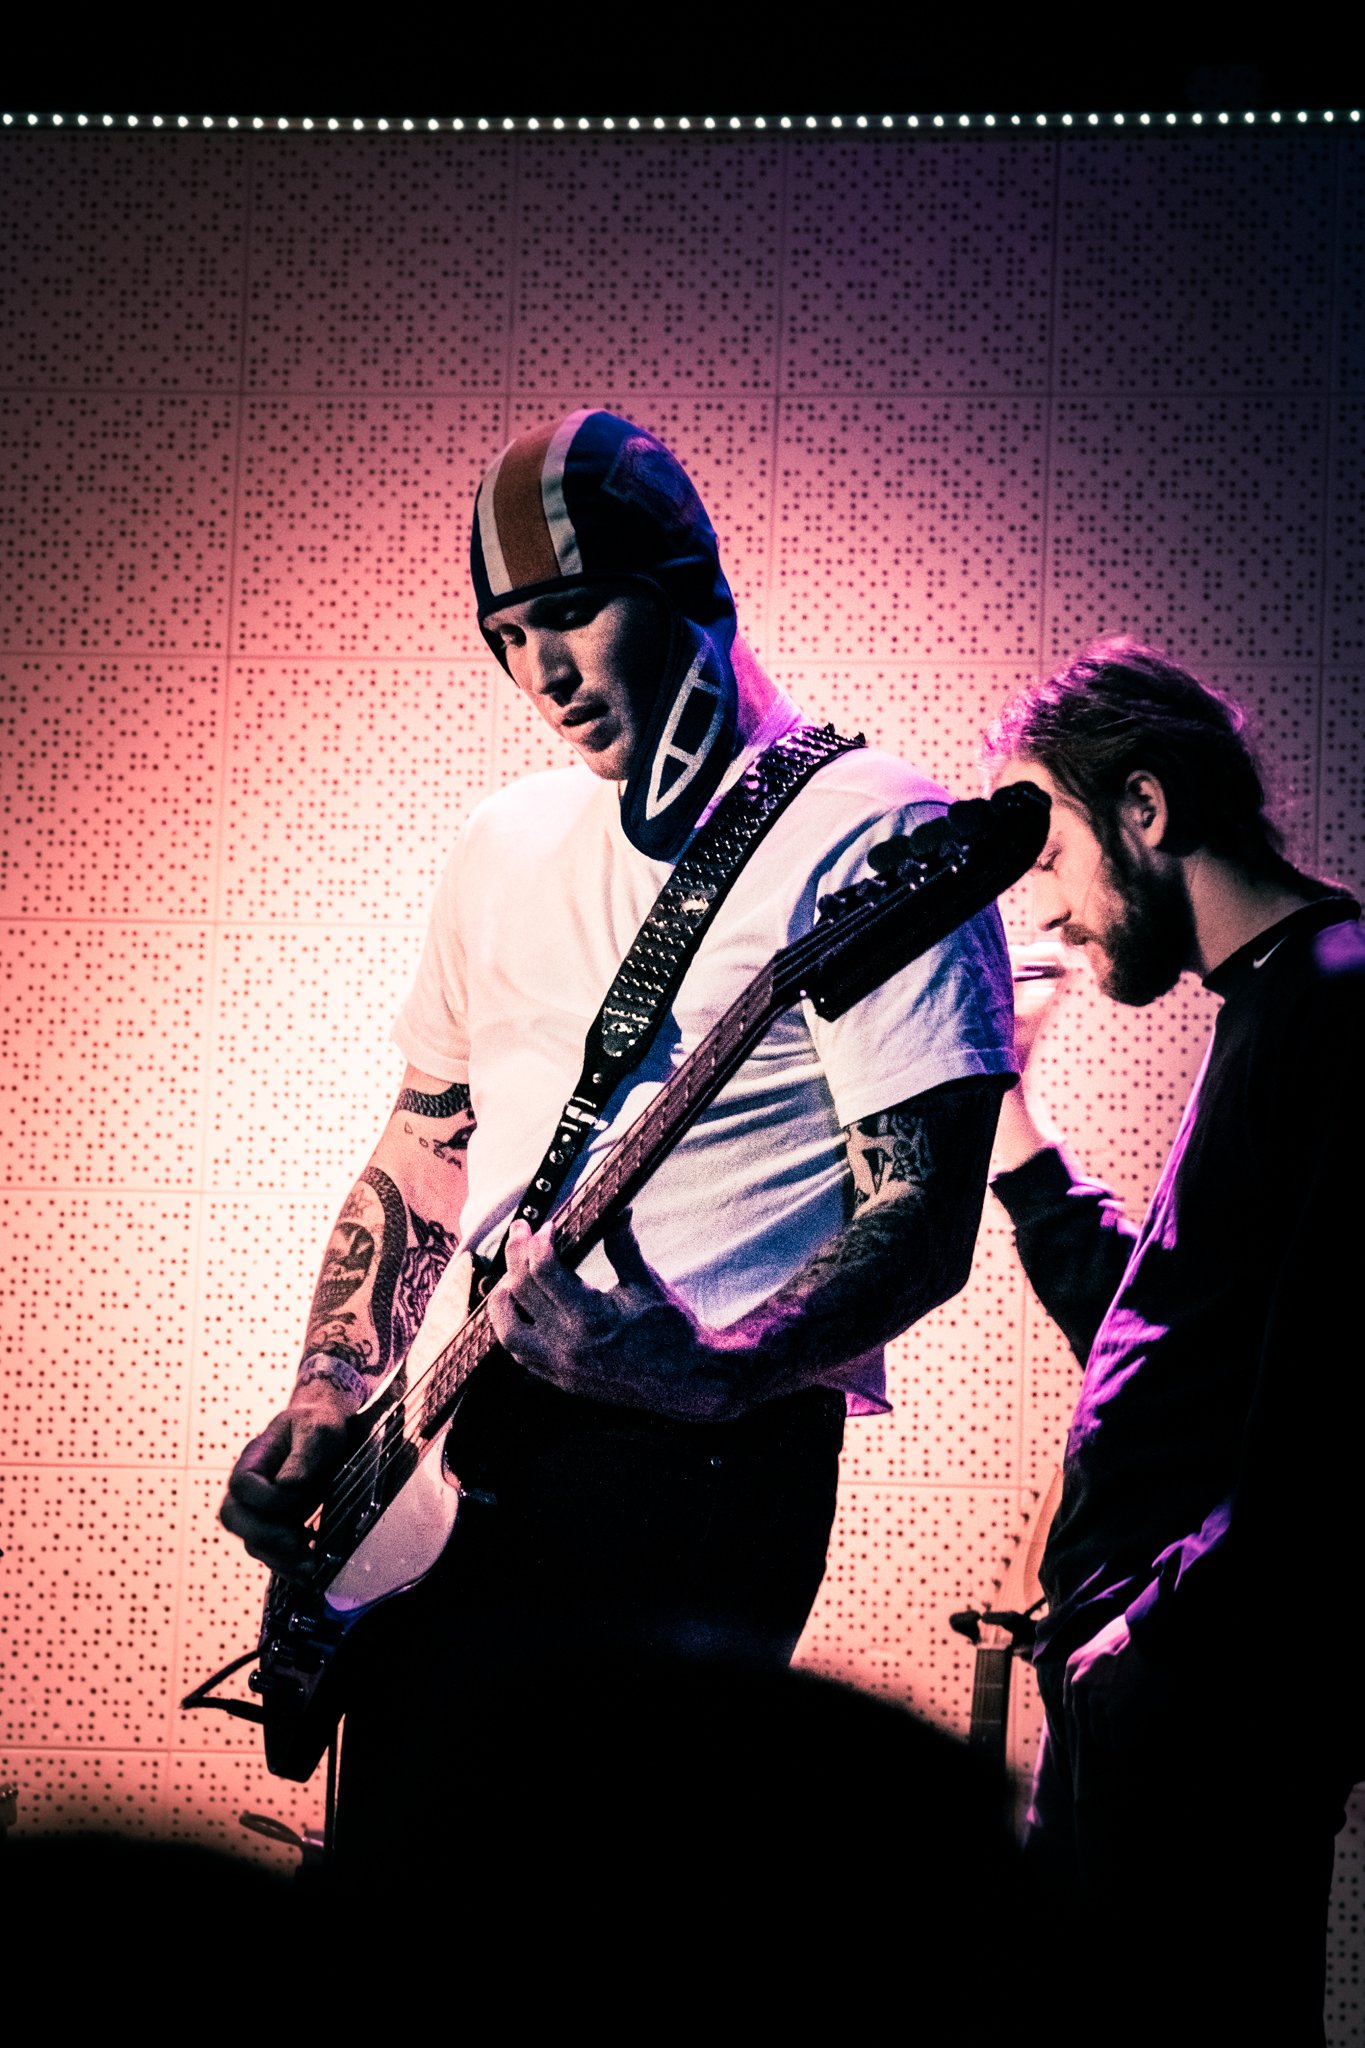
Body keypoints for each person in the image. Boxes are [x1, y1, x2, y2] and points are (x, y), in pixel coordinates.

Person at [220, 407, 1018, 1870]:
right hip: (466, 1433)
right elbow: (428, 1144)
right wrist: (333, 1384)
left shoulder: (871, 833)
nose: (543, 673)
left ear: (687, 585)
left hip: (701, 1464)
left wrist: (716, 1373)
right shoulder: (503, 841)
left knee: (609, 1903)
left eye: (574, 612)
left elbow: (921, 1217)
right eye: (508, 636)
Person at [981, 639, 1364, 2045]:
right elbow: (1155, 1343)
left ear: (1143, 808)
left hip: (1205, 1697)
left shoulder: (1337, 996)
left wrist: (1154, 1637)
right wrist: (1005, 1101)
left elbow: (1335, 1407)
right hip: (1156, 1692)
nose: (1045, 909)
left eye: (1052, 854)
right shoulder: (1272, 1001)